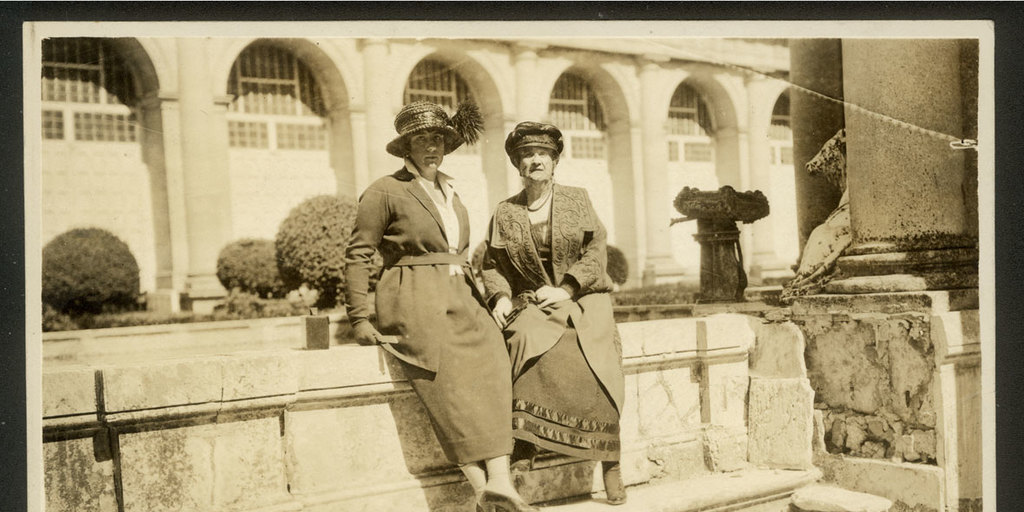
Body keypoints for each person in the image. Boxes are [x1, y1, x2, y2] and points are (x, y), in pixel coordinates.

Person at [345, 101, 538, 512]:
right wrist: (359, 316)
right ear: (406, 147)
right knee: (445, 383)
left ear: (446, 145)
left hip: (462, 295)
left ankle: (500, 483)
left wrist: (493, 296)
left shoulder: (450, 190)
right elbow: (359, 254)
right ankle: (482, 485)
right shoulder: (385, 190)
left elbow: (466, 255)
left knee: (493, 361)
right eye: (420, 139)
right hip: (414, 296)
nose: (430, 146)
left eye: (437, 138)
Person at [481, 122, 627, 505]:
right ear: (518, 164)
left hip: (582, 296)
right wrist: (498, 297)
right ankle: (524, 448)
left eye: (543, 154)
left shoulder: (578, 199)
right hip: (535, 302)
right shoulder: (505, 212)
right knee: (523, 339)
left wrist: (566, 287)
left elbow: (597, 252)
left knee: (596, 351)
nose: (535, 161)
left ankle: (610, 461)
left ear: (555, 160)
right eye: (527, 155)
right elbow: (491, 263)